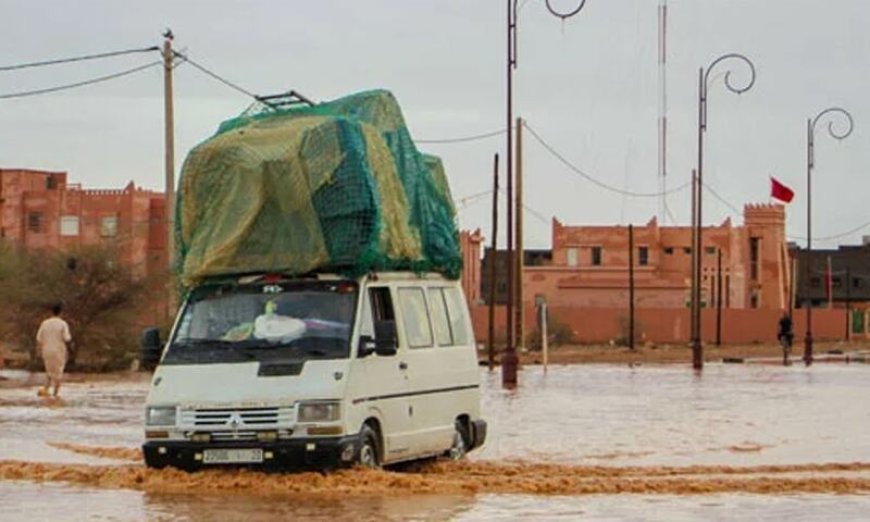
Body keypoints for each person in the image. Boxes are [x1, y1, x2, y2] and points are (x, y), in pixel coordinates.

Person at [36, 303, 72, 398]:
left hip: (46, 350)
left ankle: (46, 391)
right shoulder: (63, 324)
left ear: (51, 312)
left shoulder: (44, 323)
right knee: (58, 373)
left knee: (49, 372)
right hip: (58, 351)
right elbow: (67, 338)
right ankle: (55, 395)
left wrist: (39, 350)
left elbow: (39, 338)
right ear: (61, 312)